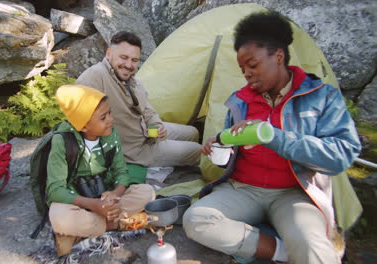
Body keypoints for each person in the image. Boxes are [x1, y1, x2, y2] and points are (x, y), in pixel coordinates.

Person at [183, 11, 361, 264]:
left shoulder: (321, 97)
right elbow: (230, 155)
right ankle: (283, 252)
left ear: (278, 57)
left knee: (312, 245)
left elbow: (341, 155)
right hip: (244, 189)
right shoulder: (239, 101)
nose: (246, 74)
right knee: (196, 219)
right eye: (242, 69)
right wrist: (219, 149)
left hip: (294, 193)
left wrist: (275, 137)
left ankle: (301, 248)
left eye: (252, 65)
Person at [47, 85, 155, 256]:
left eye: (110, 113)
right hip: (79, 202)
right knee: (58, 216)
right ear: (83, 126)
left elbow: (122, 172)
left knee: (147, 192)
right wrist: (93, 205)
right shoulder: (62, 142)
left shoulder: (111, 134)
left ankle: (89, 229)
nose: (110, 120)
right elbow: (54, 190)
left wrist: (115, 193)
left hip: (107, 199)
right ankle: (115, 224)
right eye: (103, 117)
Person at [76, 31, 201, 169]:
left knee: (193, 132)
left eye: (134, 60)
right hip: (135, 151)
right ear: (109, 53)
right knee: (199, 151)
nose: (129, 65)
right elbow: (84, 126)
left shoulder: (132, 81)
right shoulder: (93, 78)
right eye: (124, 57)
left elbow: (147, 109)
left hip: (147, 133)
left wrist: (157, 125)